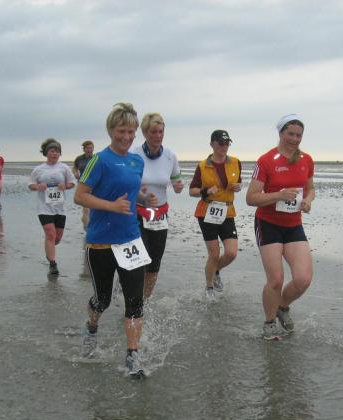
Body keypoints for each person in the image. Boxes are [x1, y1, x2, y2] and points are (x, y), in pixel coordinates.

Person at [73, 102, 152, 378]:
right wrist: (111, 206)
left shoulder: (137, 161)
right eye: (121, 131)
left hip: (130, 240)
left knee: (135, 301)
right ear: (110, 130)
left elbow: (129, 193)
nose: (126, 137)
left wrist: (143, 199)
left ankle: (133, 356)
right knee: (103, 300)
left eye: (131, 132)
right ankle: (91, 326)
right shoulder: (99, 161)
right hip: (101, 242)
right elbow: (80, 196)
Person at [246, 114, 315, 340]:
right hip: (268, 224)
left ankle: (282, 307)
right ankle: (269, 323)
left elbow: (311, 189)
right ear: (281, 133)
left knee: (303, 279)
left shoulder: (306, 160)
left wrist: (308, 201)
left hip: (293, 225)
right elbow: (251, 198)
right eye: (290, 134)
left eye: (298, 135)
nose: (294, 139)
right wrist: (279, 195)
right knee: (276, 280)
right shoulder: (266, 161)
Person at [130, 113, 183, 299]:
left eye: (161, 131)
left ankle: (144, 302)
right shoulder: (134, 154)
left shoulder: (170, 156)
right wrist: (141, 196)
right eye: (153, 132)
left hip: (160, 215)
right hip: (137, 213)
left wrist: (178, 186)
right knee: (140, 260)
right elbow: (125, 184)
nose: (158, 136)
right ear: (145, 133)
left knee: (154, 264)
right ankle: (133, 299)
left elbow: (177, 183)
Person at [188, 130, 242, 299]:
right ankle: (209, 286)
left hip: (227, 212)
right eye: (221, 143)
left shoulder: (236, 162)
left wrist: (238, 186)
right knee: (214, 253)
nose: (224, 146)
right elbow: (192, 191)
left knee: (231, 253)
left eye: (227, 143)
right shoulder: (203, 165)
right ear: (212, 144)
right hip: (207, 212)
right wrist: (205, 191)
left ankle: (216, 270)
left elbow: (238, 182)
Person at [28, 138, 76, 276]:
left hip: (60, 208)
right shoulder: (39, 169)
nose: (54, 154)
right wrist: (38, 186)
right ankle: (53, 264)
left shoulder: (64, 168)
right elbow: (30, 185)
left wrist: (65, 186)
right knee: (50, 234)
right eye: (52, 151)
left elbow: (72, 183)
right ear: (46, 153)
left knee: (57, 238)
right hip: (44, 208)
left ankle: (49, 250)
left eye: (57, 151)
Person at [73, 140, 95, 230]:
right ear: (84, 149)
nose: (89, 150)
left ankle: (89, 222)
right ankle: (87, 227)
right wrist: (75, 173)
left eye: (91, 148)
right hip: (83, 185)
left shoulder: (96, 158)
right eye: (88, 148)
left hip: (95, 185)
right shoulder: (79, 159)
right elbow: (74, 167)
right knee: (86, 207)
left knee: (93, 206)